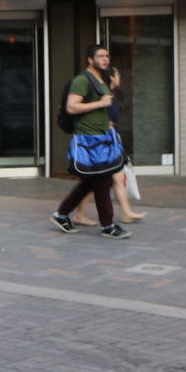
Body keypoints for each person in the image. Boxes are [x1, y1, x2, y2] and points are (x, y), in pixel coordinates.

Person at [51, 45, 131, 239]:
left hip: (103, 137)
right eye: (101, 56)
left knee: (91, 182)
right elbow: (72, 107)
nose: (106, 59)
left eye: (107, 56)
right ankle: (108, 225)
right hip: (89, 140)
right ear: (90, 59)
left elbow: (101, 104)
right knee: (103, 181)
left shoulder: (101, 81)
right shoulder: (82, 80)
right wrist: (101, 103)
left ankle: (62, 214)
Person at [72, 66, 146, 226]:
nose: (120, 77)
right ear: (112, 78)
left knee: (116, 177)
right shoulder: (103, 97)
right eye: (118, 74)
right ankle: (78, 214)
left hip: (110, 141)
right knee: (91, 181)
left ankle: (126, 212)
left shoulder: (108, 95)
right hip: (102, 143)